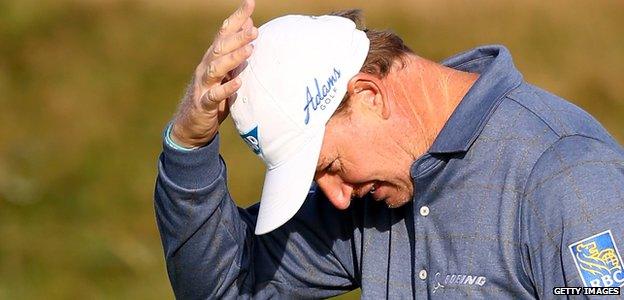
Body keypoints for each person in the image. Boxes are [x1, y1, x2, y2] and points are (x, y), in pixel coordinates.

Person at [154, 0, 624, 298]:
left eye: (330, 166)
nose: (336, 197)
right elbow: (224, 288)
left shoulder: (567, 175)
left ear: (368, 96)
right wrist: (189, 146)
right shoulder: (373, 191)